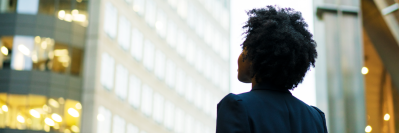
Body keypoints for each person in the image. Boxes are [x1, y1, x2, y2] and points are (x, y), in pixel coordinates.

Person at [216, 6, 327, 133]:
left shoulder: (237, 106)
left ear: (256, 55)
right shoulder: (315, 117)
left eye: (244, 49)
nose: (239, 56)